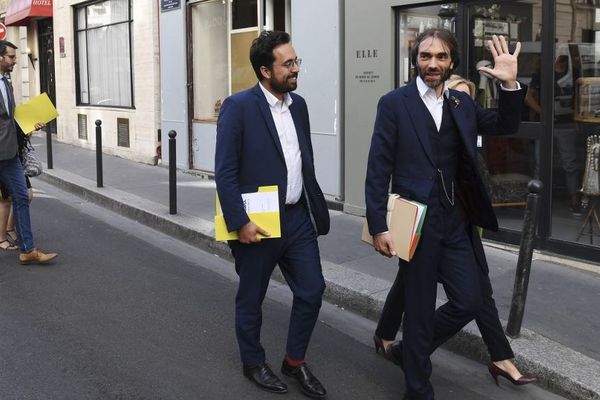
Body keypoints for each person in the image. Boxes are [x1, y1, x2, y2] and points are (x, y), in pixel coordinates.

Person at [365, 29, 526, 400]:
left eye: (440, 57)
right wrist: (378, 225)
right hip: (415, 222)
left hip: (455, 221)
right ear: (415, 60)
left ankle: (409, 351)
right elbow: (378, 167)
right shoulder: (394, 103)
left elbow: (506, 125)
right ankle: (418, 389)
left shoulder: (461, 104)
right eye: (425, 57)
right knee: (419, 311)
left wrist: (511, 82)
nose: (432, 64)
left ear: (451, 61)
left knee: (470, 300)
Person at [215, 31, 329, 399]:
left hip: (297, 218)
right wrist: (239, 222)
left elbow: (301, 160)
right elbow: (226, 171)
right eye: (288, 64)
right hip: (259, 220)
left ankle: (294, 362)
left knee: (312, 290)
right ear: (266, 70)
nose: (296, 69)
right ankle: (253, 362)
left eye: (296, 61)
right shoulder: (239, 107)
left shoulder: (300, 105)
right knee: (252, 297)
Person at [0, 40, 56, 265]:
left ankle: (27, 249)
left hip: (9, 152)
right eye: (11, 57)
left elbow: (9, 118)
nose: (14, 61)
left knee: (22, 196)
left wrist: (30, 123)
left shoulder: (7, 83)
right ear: (0, 58)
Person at [525, 54, 582, 214]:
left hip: (566, 123)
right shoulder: (543, 73)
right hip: (545, 124)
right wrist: (544, 113)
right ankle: (537, 203)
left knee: (569, 163)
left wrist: (577, 117)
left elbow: (579, 96)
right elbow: (528, 98)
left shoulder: (574, 72)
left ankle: (574, 200)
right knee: (540, 163)